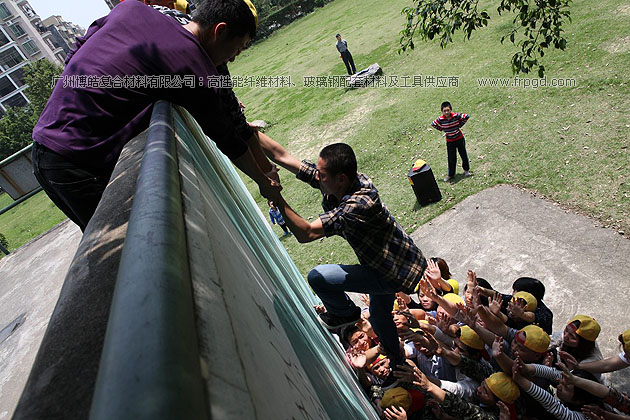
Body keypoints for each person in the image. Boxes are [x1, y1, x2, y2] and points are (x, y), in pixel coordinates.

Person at [32, 0, 280, 231]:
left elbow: (78, 45)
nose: (234, 58)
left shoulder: (131, 9)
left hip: (45, 148)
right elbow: (227, 138)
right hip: (77, 167)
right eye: (236, 49)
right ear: (220, 31)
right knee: (133, 250)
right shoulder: (193, 68)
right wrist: (262, 180)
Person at [259, 139, 428, 386]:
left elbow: (306, 234)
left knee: (319, 277)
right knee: (380, 318)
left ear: (340, 178)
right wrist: (247, 129)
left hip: (392, 274)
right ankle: (398, 364)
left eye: (322, 175)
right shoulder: (343, 182)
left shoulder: (357, 206)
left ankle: (345, 314)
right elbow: (281, 155)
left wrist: (276, 196)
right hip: (391, 263)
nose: (318, 177)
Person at [431, 101, 471, 182]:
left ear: (451, 110)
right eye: (444, 111)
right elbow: (433, 124)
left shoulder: (456, 116)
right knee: (451, 158)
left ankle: (466, 171)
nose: (446, 112)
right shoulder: (441, 119)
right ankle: (451, 175)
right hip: (450, 141)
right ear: (442, 111)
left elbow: (466, 116)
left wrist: (459, 125)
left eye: (448, 110)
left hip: (459, 138)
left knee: (463, 154)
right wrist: (442, 129)